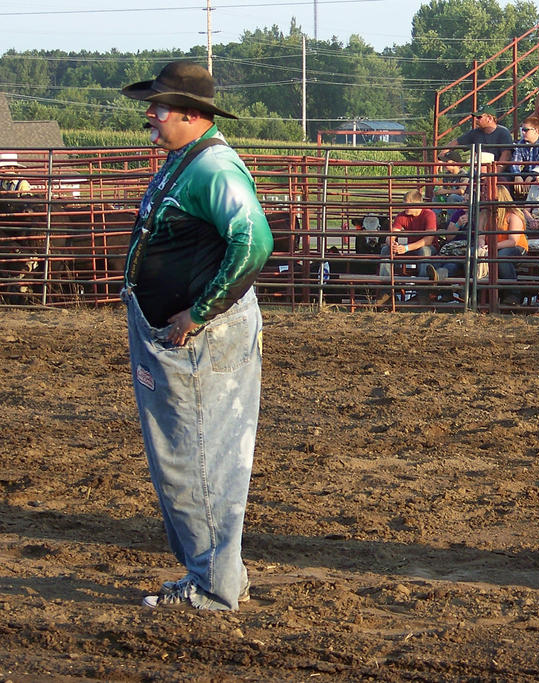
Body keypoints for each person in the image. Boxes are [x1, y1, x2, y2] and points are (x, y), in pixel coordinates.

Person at [119, 61, 273, 610]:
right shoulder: (186, 161)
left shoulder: (213, 169)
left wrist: (198, 312)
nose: (149, 115)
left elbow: (252, 241)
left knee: (198, 454)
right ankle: (220, 572)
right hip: (178, 334)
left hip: (198, 338)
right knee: (190, 453)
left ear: (191, 114)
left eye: (158, 107)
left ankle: (212, 588)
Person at [375, 188, 438, 305]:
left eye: (407, 204)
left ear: (417, 204)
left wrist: (406, 248)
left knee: (424, 251)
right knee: (386, 249)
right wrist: (392, 243)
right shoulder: (402, 216)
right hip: (412, 248)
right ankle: (386, 291)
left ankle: (423, 292)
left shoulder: (429, 214)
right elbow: (391, 234)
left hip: (427, 248)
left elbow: (428, 240)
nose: (405, 207)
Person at [453, 104, 513, 169]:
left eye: (479, 117)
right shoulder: (475, 133)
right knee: (465, 177)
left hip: (499, 172)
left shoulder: (503, 132)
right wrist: (442, 156)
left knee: (503, 179)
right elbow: (456, 142)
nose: (476, 120)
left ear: (489, 118)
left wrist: (495, 174)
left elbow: (506, 155)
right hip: (478, 171)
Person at [510, 116, 539, 193]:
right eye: (522, 130)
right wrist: (517, 175)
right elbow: (515, 162)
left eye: (526, 130)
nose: (523, 132)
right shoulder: (521, 143)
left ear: (536, 131)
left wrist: (532, 176)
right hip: (526, 174)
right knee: (508, 181)